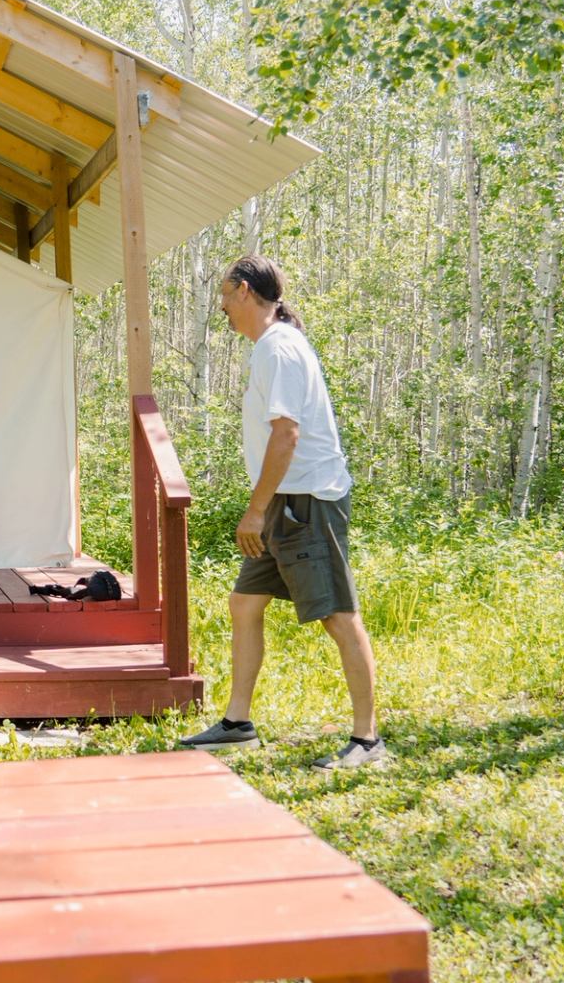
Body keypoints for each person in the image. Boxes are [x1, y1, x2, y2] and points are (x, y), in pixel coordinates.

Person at [180, 256, 385, 770]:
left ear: (244, 291)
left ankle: (368, 742)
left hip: (306, 502)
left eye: (225, 296)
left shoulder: (280, 348)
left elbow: (287, 434)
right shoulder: (269, 347)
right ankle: (237, 724)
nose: (223, 307)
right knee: (245, 603)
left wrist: (255, 512)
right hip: (284, 503)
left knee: (338, 615)